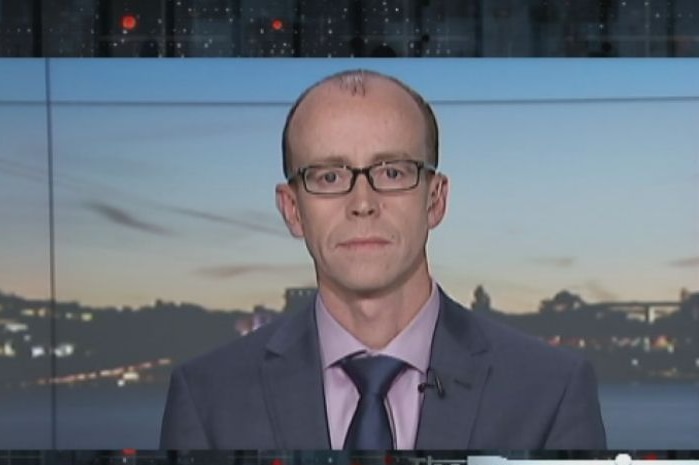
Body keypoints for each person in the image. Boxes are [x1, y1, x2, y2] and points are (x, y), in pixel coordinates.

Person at [160, 69, 607, 450]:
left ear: (435, 200)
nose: (362, 202)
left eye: (392, 172)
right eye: (329, 175)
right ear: (292, 209)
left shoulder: (551, 390)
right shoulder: (206, 397)